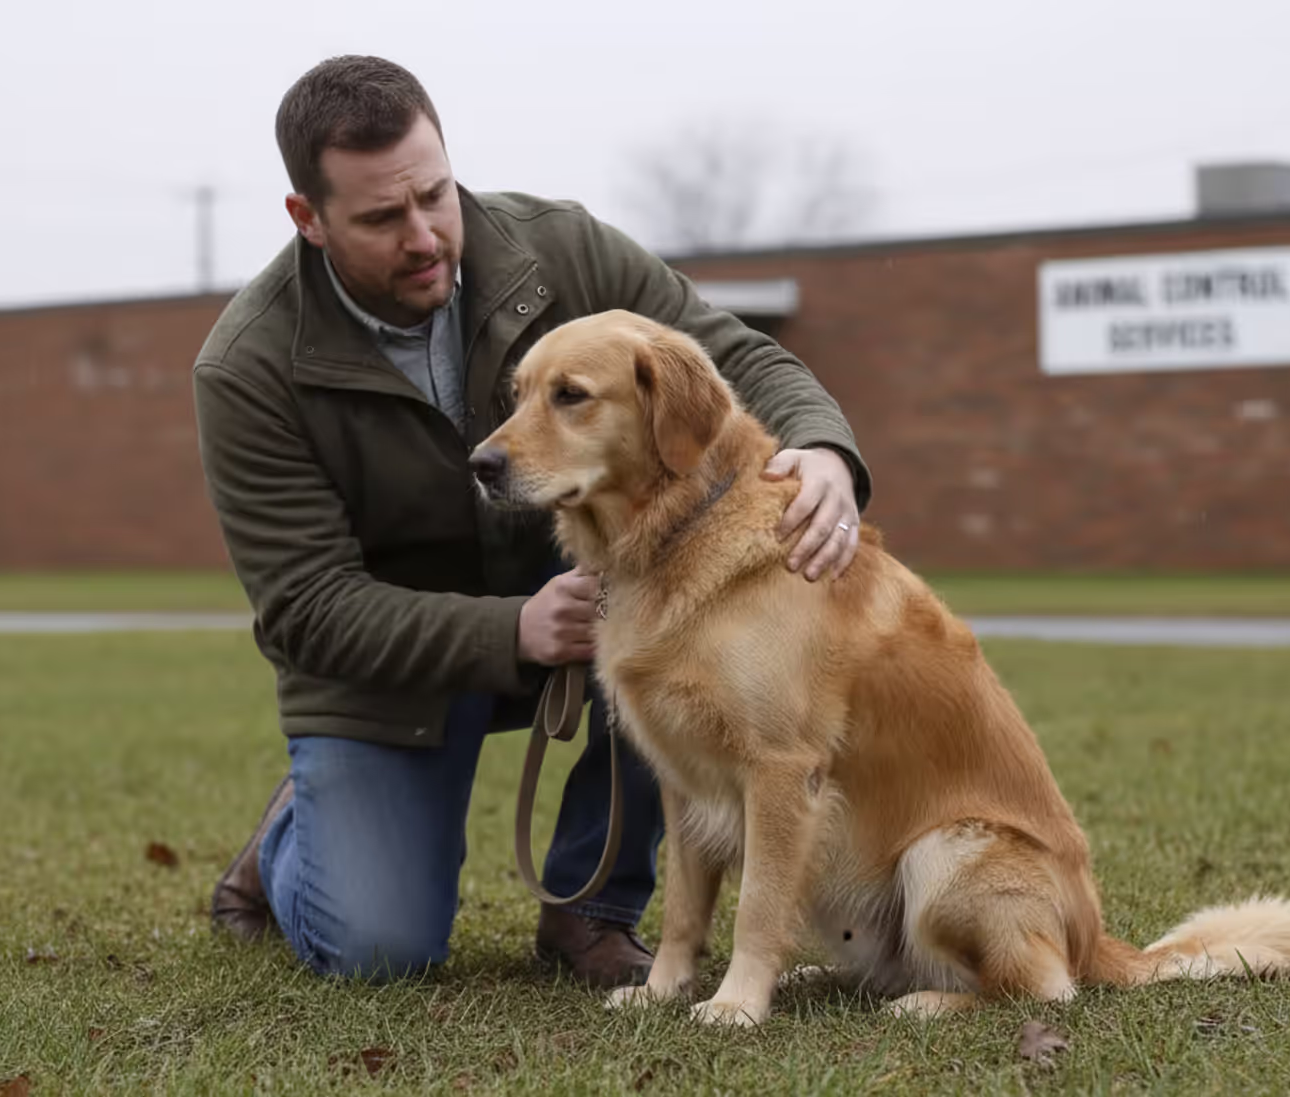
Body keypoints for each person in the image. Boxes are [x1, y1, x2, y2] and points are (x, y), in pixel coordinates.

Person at [193, 54, 872, 987]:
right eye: (383, 218)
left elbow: (730, 354)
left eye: (436, 194)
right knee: (380, 949)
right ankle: (285, 843)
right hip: (393, 677)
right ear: (307, 219)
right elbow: (308, 607)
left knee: (677, 619)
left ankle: (590, 915)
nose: (427, 235)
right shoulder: (247, 368)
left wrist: (825, 448)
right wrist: (512, 629)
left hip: (596, 606)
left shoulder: (562, 250)